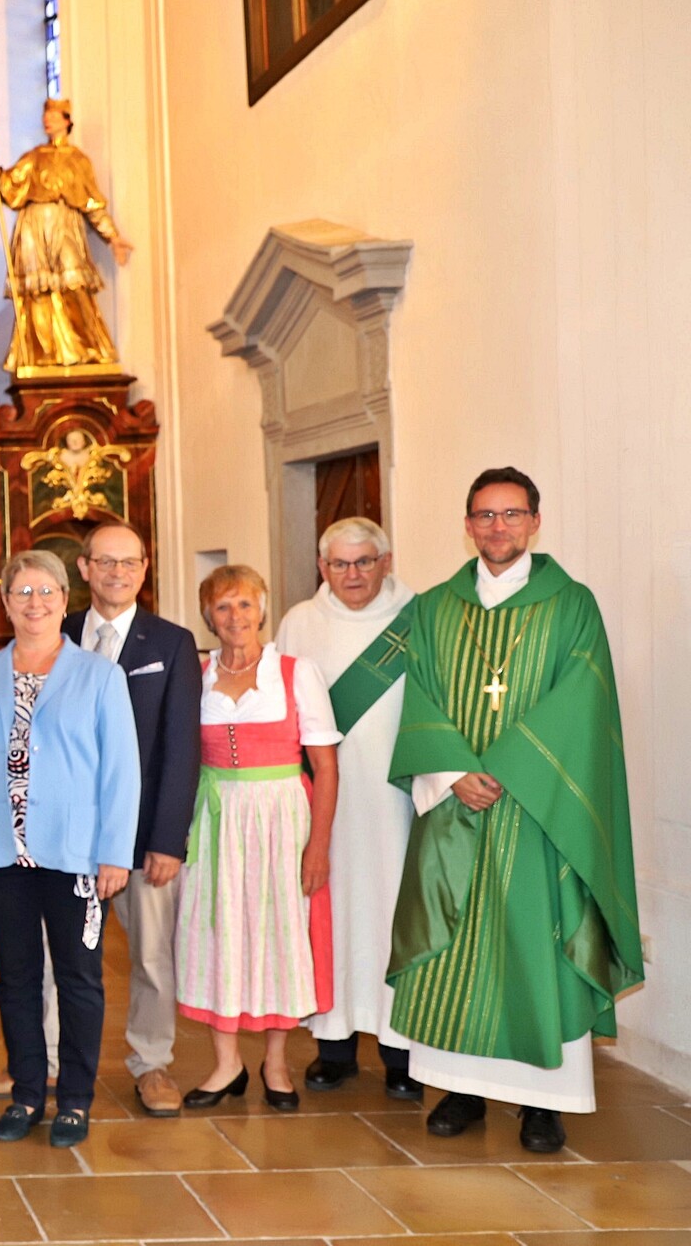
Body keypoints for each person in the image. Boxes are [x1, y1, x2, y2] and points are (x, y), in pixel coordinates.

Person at [387, 469, 641, 1154]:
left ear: (534, 520)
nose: (498, 527)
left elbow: (582, 703)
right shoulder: (436, 608)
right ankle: (461, 1086)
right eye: (484, 515)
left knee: (535, 936)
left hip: (539, 810)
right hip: (455, 805)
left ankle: (541, 1102)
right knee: (459, 943)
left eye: (511, 514)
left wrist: (506, 769)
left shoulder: (573, 606)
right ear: (467, 524)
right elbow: (424, 696)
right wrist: (450, 770)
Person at [0, 551, 139, 1147]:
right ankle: (28, 1091)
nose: (35, 603)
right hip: (2, 855)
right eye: (22, 592)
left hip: (75, 853)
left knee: (80, 979)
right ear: (4, 603)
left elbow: (121, 773)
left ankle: (75, 1099)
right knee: (16, 978)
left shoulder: (100, 676)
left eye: (46, 591)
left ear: (64, 597)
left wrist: (114, 852)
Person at [176, 565, 340, 1112]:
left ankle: (275, 1062)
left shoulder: (294, 673)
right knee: (216, 931)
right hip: (217, 818)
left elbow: (325, 765)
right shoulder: (194, 676)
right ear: (208, 618)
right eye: (223, 607)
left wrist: (317, 846)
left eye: (245, 605)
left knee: (278, 936)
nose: (235, 617)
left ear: (262, 610)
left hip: (280, 823)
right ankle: (226, 1064)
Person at [274, 517, 421, 1100]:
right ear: (322, 567)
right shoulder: (299, 623)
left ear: (386, 562)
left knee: (396, 920)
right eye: (339, 564)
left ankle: (400, 1052)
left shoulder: (421, 617)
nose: (352, 574)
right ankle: (332, 1047)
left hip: (399, 800)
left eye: (364, 562)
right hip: (324, 804)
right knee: (328, 920)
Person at [62, 521, 200, 1117]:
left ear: (145, 569)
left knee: (149, 957)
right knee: (58, 956)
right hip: (63, 836)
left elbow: (181, 747)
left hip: (144, 837)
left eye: (131, 562)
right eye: (106, 562)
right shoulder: (57, 633)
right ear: (84, 568)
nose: (119, 573)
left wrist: (169, 839)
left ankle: (152, 1063)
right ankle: (47, 1061)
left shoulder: (170, 643)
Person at [0, 97, 134, 373]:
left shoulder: (78, 160)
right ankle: (41, 353)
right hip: (33, 229)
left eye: (53, 114)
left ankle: (84, 349)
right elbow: (5, 186)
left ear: (66, 120)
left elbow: (92, 203)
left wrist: (112, 237)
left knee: (73, 288)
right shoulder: (34, 157)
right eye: (46, 114)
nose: (47, 119)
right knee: (38, 293)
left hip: (64, 228)